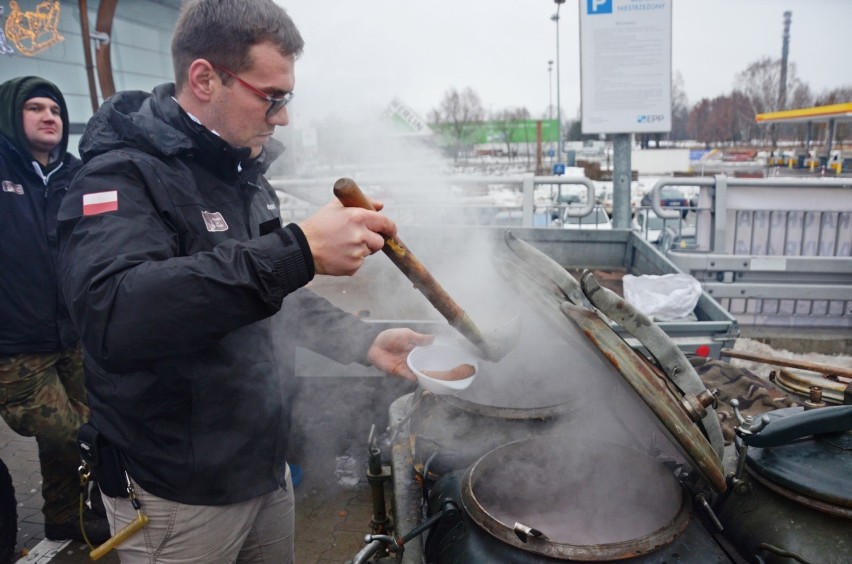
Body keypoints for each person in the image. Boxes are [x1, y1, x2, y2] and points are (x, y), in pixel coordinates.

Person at [56, 1, 432, 562]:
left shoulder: (243, 172)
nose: (282, 117)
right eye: (272, 97)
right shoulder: (121, 173)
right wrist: (299, 249)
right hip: (177, 491)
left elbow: (268, 293)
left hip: (261, 463)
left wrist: (366, 341)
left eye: (288, 99)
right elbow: (115, 312)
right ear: (205, 78)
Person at [0, 76, 110, 543]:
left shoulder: (75, 174)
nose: (50, 117)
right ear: (11, 115)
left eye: (57, 111)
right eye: (36, 108)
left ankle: (64, 518)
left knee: (91, 425)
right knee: (68, 434)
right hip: (16, 343)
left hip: (72, 333)